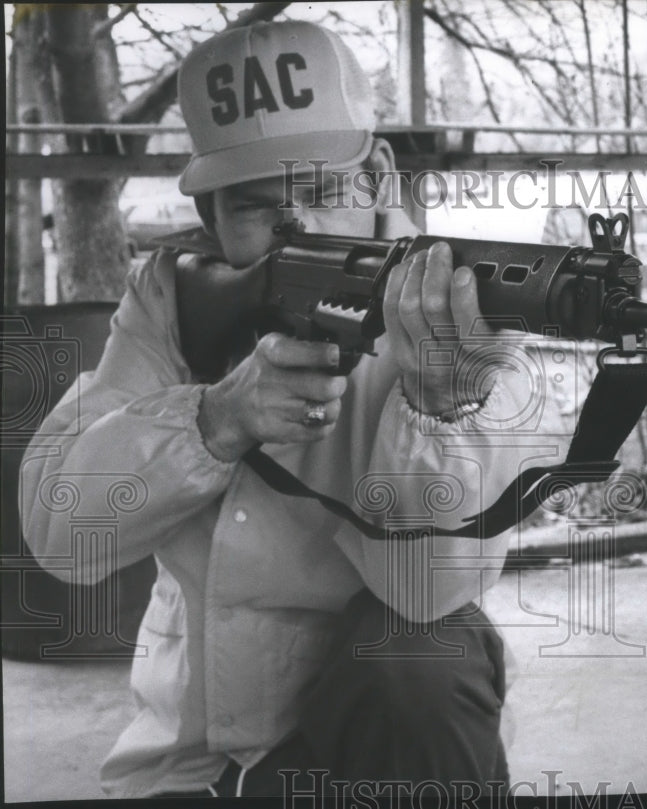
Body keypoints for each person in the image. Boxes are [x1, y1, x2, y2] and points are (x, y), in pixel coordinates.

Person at [20, 20, 560, 800]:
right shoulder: (172, 301)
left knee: (422, 656)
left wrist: (437, 404)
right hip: (191, 755)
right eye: (258, 211)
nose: (298, 229)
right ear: (209, 217)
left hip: (378, 742)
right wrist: (212, 421)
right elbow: (59, 535)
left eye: (319, 190)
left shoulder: (463, 308)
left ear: (376, 174)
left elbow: (429, 593)